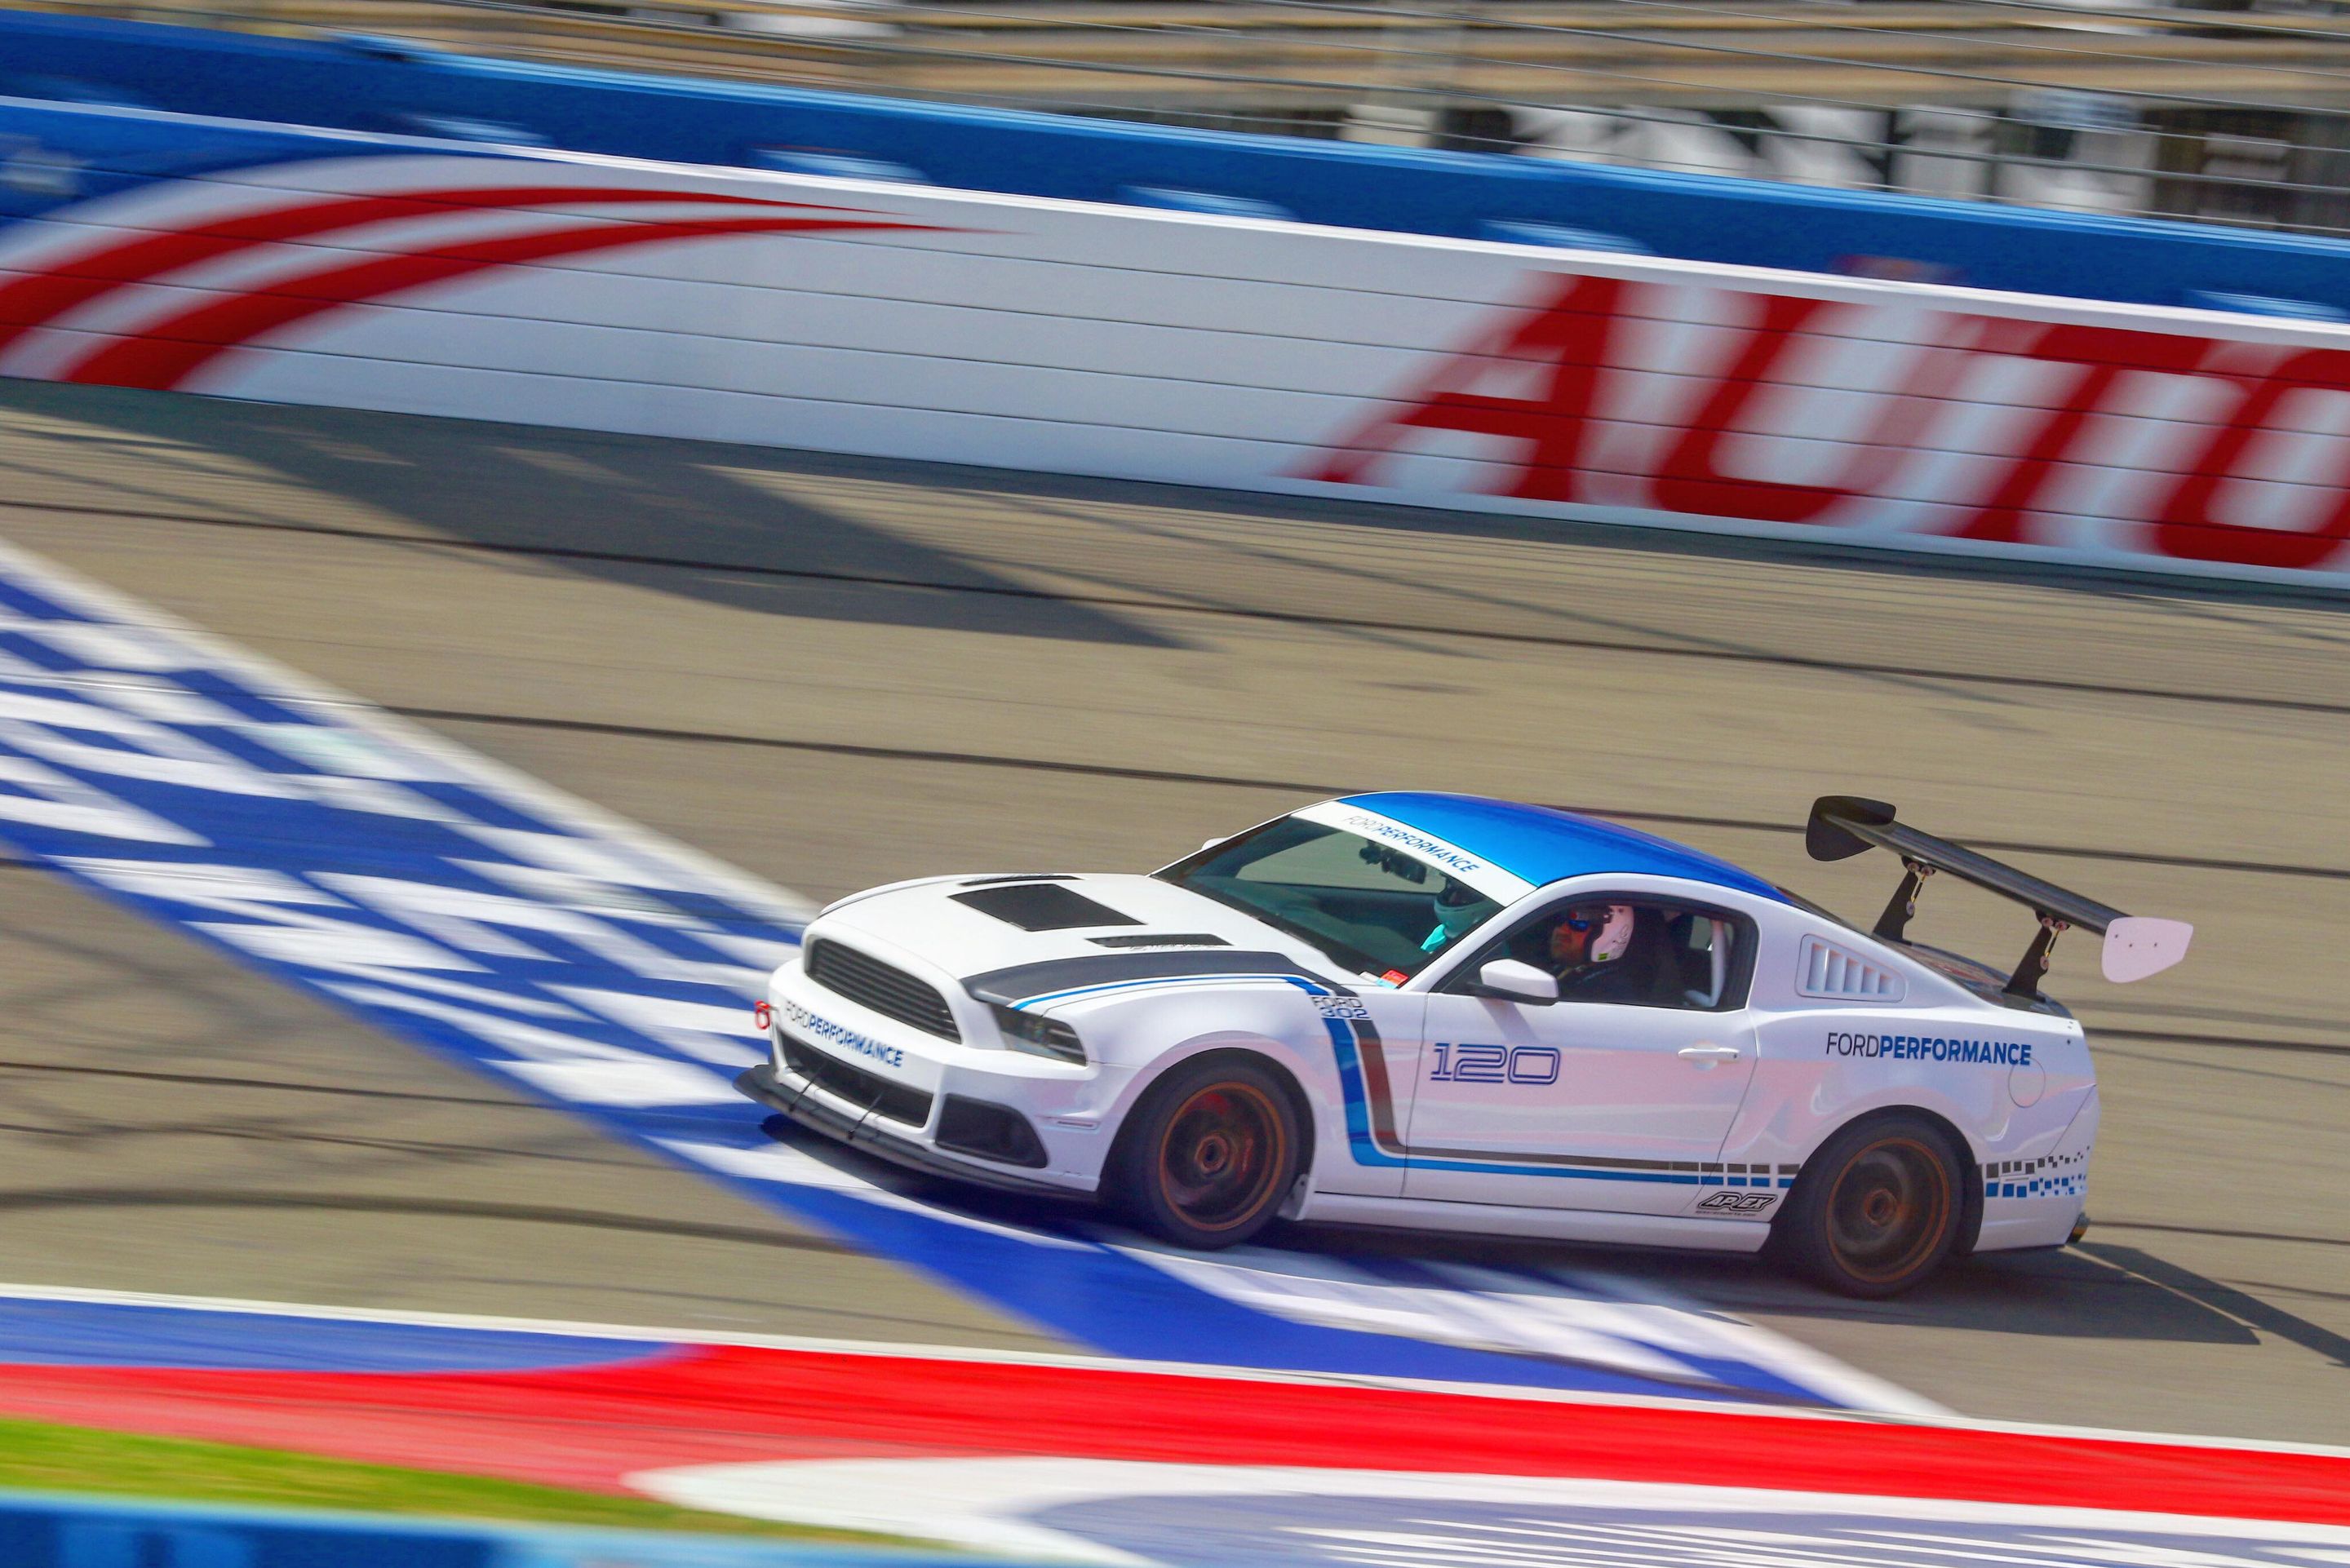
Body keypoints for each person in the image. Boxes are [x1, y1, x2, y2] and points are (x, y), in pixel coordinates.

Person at [1547, 901, 1645, 1001]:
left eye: (1578, 924)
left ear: (1610, 934)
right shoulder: (1565, 968)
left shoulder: (1609, 993)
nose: (1561, 931)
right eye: (1561, 921)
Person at [1421, 879, 1492, 955]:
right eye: (1451, 889)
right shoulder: (1440, 931)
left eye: (1465, 894)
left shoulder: (1494, 946)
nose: (1452, 899)